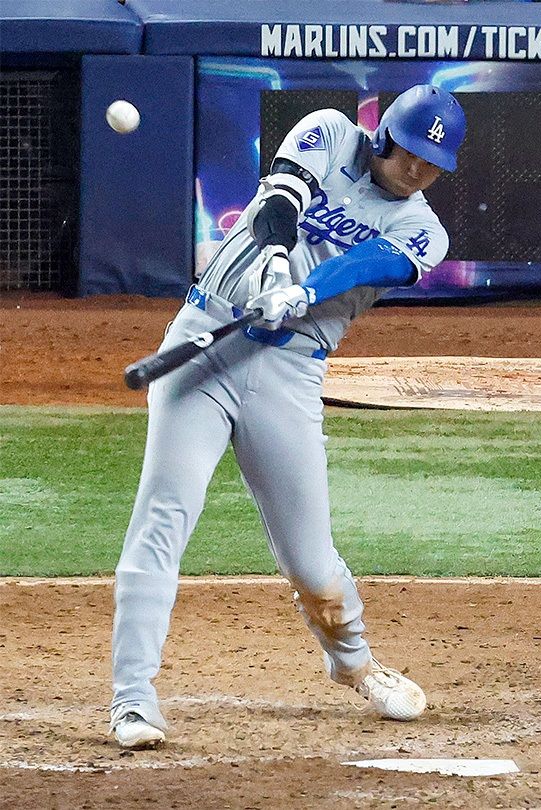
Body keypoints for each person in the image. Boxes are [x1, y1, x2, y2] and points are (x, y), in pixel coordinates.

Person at [109, 84, 465, 749]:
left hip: (291, 373)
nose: (417, 170)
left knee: (310, 560)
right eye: (410, 152)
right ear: (386, 133)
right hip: (204, 341)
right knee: (163, 516)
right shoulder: (330, 131)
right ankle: (133, 700)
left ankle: (354, 664)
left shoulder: (423, 230)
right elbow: (279, 200)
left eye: (431, 163)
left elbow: (371, 261)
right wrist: (273, 259)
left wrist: (301, 291)